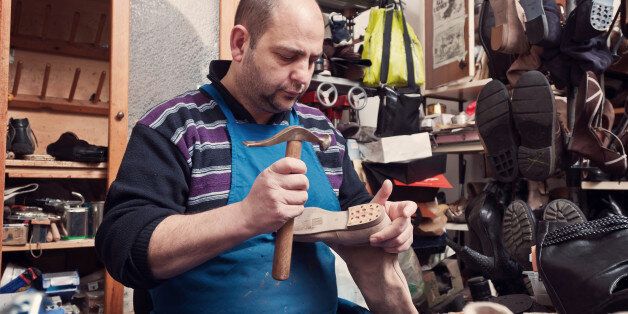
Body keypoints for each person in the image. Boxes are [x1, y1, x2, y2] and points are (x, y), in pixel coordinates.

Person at [95, 0, 417, 312]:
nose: (303, 76)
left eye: (312, 61)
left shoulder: (322, 132)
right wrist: (246, 216)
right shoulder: (177, 127)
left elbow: (355, 217)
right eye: (288, 56)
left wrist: (384, 225)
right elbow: (122, 247)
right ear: (240, 43)